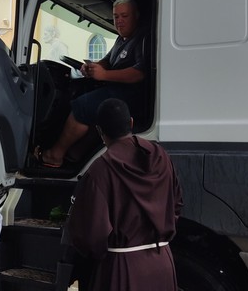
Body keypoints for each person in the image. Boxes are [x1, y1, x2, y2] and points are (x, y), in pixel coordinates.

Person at [66, 98, 183, 291]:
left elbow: (92, 236)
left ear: (100, 131)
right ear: (131, 123)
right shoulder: (161, 156)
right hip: (163, 263)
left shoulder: (100, 170)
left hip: (122, 271)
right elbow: (177, 203)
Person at [38, 0, 148, 167]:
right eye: (116, 17)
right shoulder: (121, 40)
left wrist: (104, 75)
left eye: (124, 16)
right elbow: (107, 60)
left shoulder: (142, 38)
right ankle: (76, 154)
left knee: (81, 106)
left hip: (130, 96)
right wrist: (92, 66)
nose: (119, 21)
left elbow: (139, 74)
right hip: (116, 91)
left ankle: (55, 155)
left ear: (136, 15)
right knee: (85, 94)